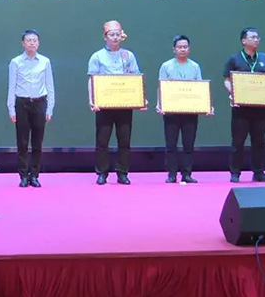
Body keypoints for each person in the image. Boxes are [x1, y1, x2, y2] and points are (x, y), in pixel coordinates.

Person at [88, 20, 145, 185]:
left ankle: (122, 172)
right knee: (102, 141)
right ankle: (102, 173)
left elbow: (135, 78)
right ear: (105, 37)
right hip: (104, 105)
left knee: (124, 141)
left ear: (122, 36)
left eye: (117, 34)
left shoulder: (128, 56)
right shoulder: (97, 56)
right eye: (111, 34)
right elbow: (92, 80)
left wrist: (141, 99)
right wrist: (92, 100)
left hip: (124, 104)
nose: (115, 37)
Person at [223, 27, 265, 183]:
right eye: (252, 37)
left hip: (261, 109)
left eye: (258, 37)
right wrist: (234, 93)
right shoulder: (234, 59)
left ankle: (259, 172)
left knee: (259, 142)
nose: (256, 40)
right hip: (241, 109)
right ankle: (235, 173)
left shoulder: (264, 58)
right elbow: (226, 80)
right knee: (238, 142)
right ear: (243, 41)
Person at [6, 30, 55, 188]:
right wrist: (11, 108)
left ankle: (34, 175)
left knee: (37, 142)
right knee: (22, 142)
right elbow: (11, 86)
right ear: (23, 43)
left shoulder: (45, 62)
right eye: (29, 40)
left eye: (35, 40)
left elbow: (50, 86)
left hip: (40, 103)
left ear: (38, 43)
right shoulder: (15, 62)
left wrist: (50, 108)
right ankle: (23, 175)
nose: (32, 43)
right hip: (22, 103)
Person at [157, 35, 207, 184]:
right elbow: (161, 87)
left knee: (188, 145)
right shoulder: (166, 66)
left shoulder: (195, 66)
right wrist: (160, 104)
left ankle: (187, 174)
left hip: (190, 111)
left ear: (189, 49)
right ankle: (171, 174)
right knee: (171, 145)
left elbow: (200, 88)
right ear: (174, 49)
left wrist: (205, 106)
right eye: (179, 47)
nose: (183, 49)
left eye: (185, 47)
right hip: (171, 111)